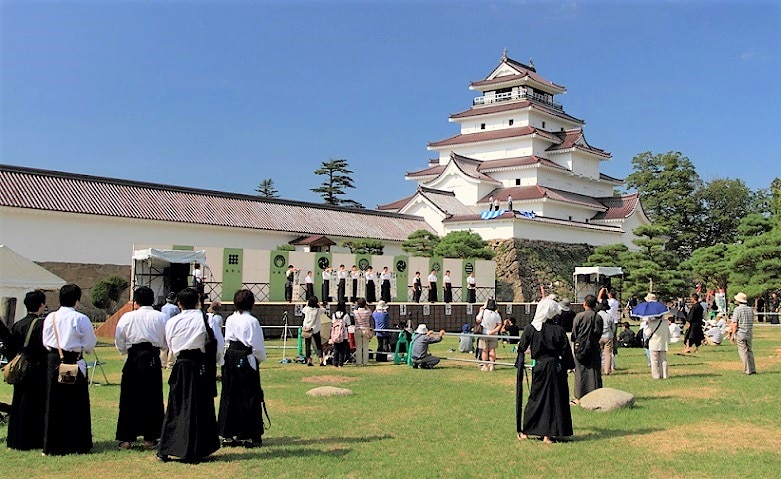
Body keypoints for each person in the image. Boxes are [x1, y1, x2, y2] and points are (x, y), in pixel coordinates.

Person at [158, 287, 220, 463]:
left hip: (180, 364)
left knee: (176, 406)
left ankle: (168, 447)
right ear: (198, 302)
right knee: (200, 406)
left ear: (179, 304)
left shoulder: (172, 322)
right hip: (199, 364)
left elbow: (169, 343)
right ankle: (198, 448)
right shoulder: (205, 319)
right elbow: (217, 345)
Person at [41, 283, 97, 455]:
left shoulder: (50, 317)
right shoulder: (80, 319)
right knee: (76, 404)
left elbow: (45, 341)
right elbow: (89, 344)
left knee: (54, 402)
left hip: (54, 360)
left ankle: (52, 445)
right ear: (77, 300)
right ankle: (78, 443)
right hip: (73, 361)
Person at [114, 286, 168, 450]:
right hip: (152, 356)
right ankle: (150, 438)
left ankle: (126, 439)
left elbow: (119, 340)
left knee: (129, 399)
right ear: (152, 300)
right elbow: (166, 341)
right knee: (152, 398)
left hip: (133, 357)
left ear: (135, 302)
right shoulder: (162, 317)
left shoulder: (127, 317)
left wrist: (125, 351)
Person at [516, 295, 574, 444]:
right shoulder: (558, 330)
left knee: (536, 398)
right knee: (554, 399)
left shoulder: (531, 329)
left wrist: (520, 362)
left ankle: (529, 431)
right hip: (556, 367)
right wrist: (569, 365)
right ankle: (549, 434)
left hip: (540, 366)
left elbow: (521, 347)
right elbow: (566, 351)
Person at [218, 289, 267, 448]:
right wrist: (258, 359)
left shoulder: (230, 318)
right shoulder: (252, 321)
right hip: (246, 356)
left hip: (230, 356)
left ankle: (228, 434)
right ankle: (249, 434)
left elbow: (227, 339)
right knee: (249, 396)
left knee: (230, 394)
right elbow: (257, 346)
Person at [6, 290, 48, 450]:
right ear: (41, 305)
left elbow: (10, 347)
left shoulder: (18, 324)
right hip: (37, 368)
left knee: (18, 403)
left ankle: (15, 439)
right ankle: (33, 440)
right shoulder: (41, 324)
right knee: (36, 405)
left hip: (20, 368)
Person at [571, 294, 603, 405]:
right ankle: (596, 393)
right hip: (594, 347)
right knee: (594, 371)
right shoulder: (598, 317)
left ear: (585, 304)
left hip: (581, 348)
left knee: (580, 372)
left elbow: (574, 333)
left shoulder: (579, 316)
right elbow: (599, 332)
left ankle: (579, 396)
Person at [729, 292, 756, 375]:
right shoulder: (750, 309)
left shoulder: (737, 309)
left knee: (743, 352)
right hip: (749, 332)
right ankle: (752, 368)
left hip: (741, 332)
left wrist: (732, 335)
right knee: (749, 351)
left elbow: (735, 323)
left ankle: (747, 370)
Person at [643, 311, 671, 379]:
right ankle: (664, 375)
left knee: (654, 361)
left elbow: (647, 333)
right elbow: (668, 333)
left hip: (653, 343)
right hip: (663, 343)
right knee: (663, 360)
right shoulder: (665, 323)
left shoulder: (652, 323)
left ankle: (656, 376)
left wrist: (646, 325)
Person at [476, 299, 502, 371]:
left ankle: (485, 366)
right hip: (493, 334)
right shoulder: (496, 314)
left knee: (484, 350)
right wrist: (493, 331)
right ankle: (492, 365)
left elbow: (477, 320)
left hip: (484, 333)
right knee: (492, 350)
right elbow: (499, 325)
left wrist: (480, 310)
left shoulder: (483, 312)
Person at [301, 296, 325, 367]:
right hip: (316, 329)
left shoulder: (307, 309)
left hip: (307, 329)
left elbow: (303, 309)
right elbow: (323, 309)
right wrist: (319, 304)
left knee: (307, 345)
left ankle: (309, 360)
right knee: (318, 345)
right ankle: (321, 360)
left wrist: (307, 303)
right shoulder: (318, 310)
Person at [352, 298, 373, 366]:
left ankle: (358, 362)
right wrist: (366, 306)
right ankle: (365, 362)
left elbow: (353, 310)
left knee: (358, 347)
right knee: (365, 347)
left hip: (358, 330)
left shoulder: (355, 312)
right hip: (366, 330)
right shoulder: (367, 312)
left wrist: (356, 305)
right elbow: (370, 312)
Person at [329, 302, 350, 367]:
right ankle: (341, 363)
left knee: (336, 349)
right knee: (342, 350)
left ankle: (335, 363)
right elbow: (348, 324)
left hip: (335, 335)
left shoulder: (334, 315)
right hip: (344, 335)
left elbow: (333, 323)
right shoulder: (346, 315)